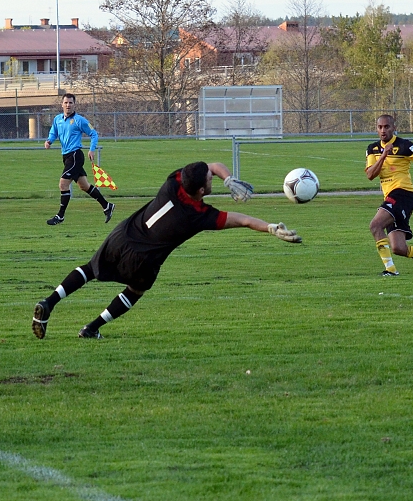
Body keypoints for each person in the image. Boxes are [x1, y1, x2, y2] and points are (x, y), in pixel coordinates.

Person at [32, 161, 300, 339]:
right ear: (200, 190)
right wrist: (271, 228)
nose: (213, 177)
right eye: (211, 179)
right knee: (135, 291)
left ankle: (49, 302)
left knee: (89, 270)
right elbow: (242, 220)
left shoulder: (173, 181)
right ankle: (91, 329)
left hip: (123, 235)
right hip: (144, 259)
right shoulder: (199, 215)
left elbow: (212, 166)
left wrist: (228, 178)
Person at [364, 114, 413, 276]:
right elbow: (370, 175)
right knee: (398, 248)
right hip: (390, 197)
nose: (383, 130)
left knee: (375, 226)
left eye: (387, 127)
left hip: (403, 194)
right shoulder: (372, 149)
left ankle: (390, 270)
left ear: (394, 128)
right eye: (380, 127)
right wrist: (383, 155)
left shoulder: (404, 145)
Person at [44, 93, 114, 226]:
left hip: (76, 156)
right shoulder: (57, 119)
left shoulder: (79, 120)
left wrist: (92, 149)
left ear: (74, 105)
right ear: (62, 104)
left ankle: (60, 216)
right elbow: (53, 132)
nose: (68, 105)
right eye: (66, 103)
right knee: (84, 186)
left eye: (70, 103)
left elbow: (94, 133)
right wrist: (49, 141)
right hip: (66, 157)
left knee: (63, 184)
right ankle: (107, 206)